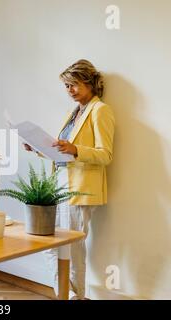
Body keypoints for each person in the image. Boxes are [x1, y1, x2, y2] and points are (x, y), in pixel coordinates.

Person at [24, 59, 115, 299]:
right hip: (59, 185)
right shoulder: (73, 113)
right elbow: (61, 153)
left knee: (72, 248)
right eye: (66, 86)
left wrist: (75, 149)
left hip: (81, 187)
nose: (69, 91)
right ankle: (73, 296)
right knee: (49, 242)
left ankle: (74, 295)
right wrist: (38, 149)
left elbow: (105, 155)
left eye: (73, 84)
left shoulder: (100, 110)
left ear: (89, 82)